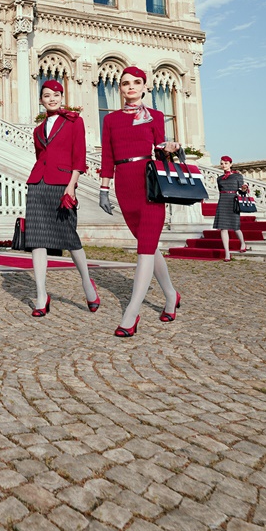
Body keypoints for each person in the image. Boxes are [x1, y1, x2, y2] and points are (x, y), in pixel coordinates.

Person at [99, 66, 181, 337]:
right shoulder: (110, 120)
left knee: (145, 248)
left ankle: (131, 313)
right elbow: (108, 157)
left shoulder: (155, 116)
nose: (130, 87)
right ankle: (171, 295)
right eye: (125, 83)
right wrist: (103, 188)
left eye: (136, 82)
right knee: (148, 245)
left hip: (150, 185)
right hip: (125, 185)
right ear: (119, 88)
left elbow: (159, 149)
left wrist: (169, 148)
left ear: (145, 87)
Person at [25, 80, 100, 317]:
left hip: (62, 185)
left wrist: (72, 186)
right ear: (41, 100)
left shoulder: (74, 121)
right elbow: (41, 157)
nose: (52, 98)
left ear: (61, 96)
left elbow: (79, 155)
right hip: (38, 185)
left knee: (70, 237)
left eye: (56, 94)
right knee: (36, 239)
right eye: (47, 95)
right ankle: (40, 295)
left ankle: (87, 284)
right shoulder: (37, 130)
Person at [214, 155, 249, 262]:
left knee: (236, 227)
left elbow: (242, 191)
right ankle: (227, 253)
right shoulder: (219, 178)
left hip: (233, 200)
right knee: (223, 228)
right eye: (222, 163)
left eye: (225, 163)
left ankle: (242, 243)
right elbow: (220, 190)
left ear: (230, 164)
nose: (223, 165)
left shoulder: (237, 176)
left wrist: (244, 188)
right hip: (223, 201)